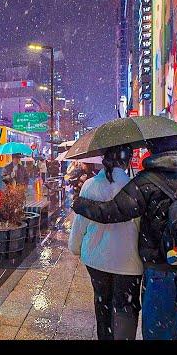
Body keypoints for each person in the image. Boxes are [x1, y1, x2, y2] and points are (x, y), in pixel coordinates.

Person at [72, 136, 177, 340]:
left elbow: (112, 211)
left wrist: (80, 204)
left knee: (160, 329)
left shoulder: (145, 182)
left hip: (161, 267)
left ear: (151, 150)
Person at [68, 145, 142, 340]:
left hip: (96, 259)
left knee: (103, 304)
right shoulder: (134, 187)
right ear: (126, 161)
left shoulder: (90, 185)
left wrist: (75, 247)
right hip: (128, 262)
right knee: (125, 308)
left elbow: (80, 223)